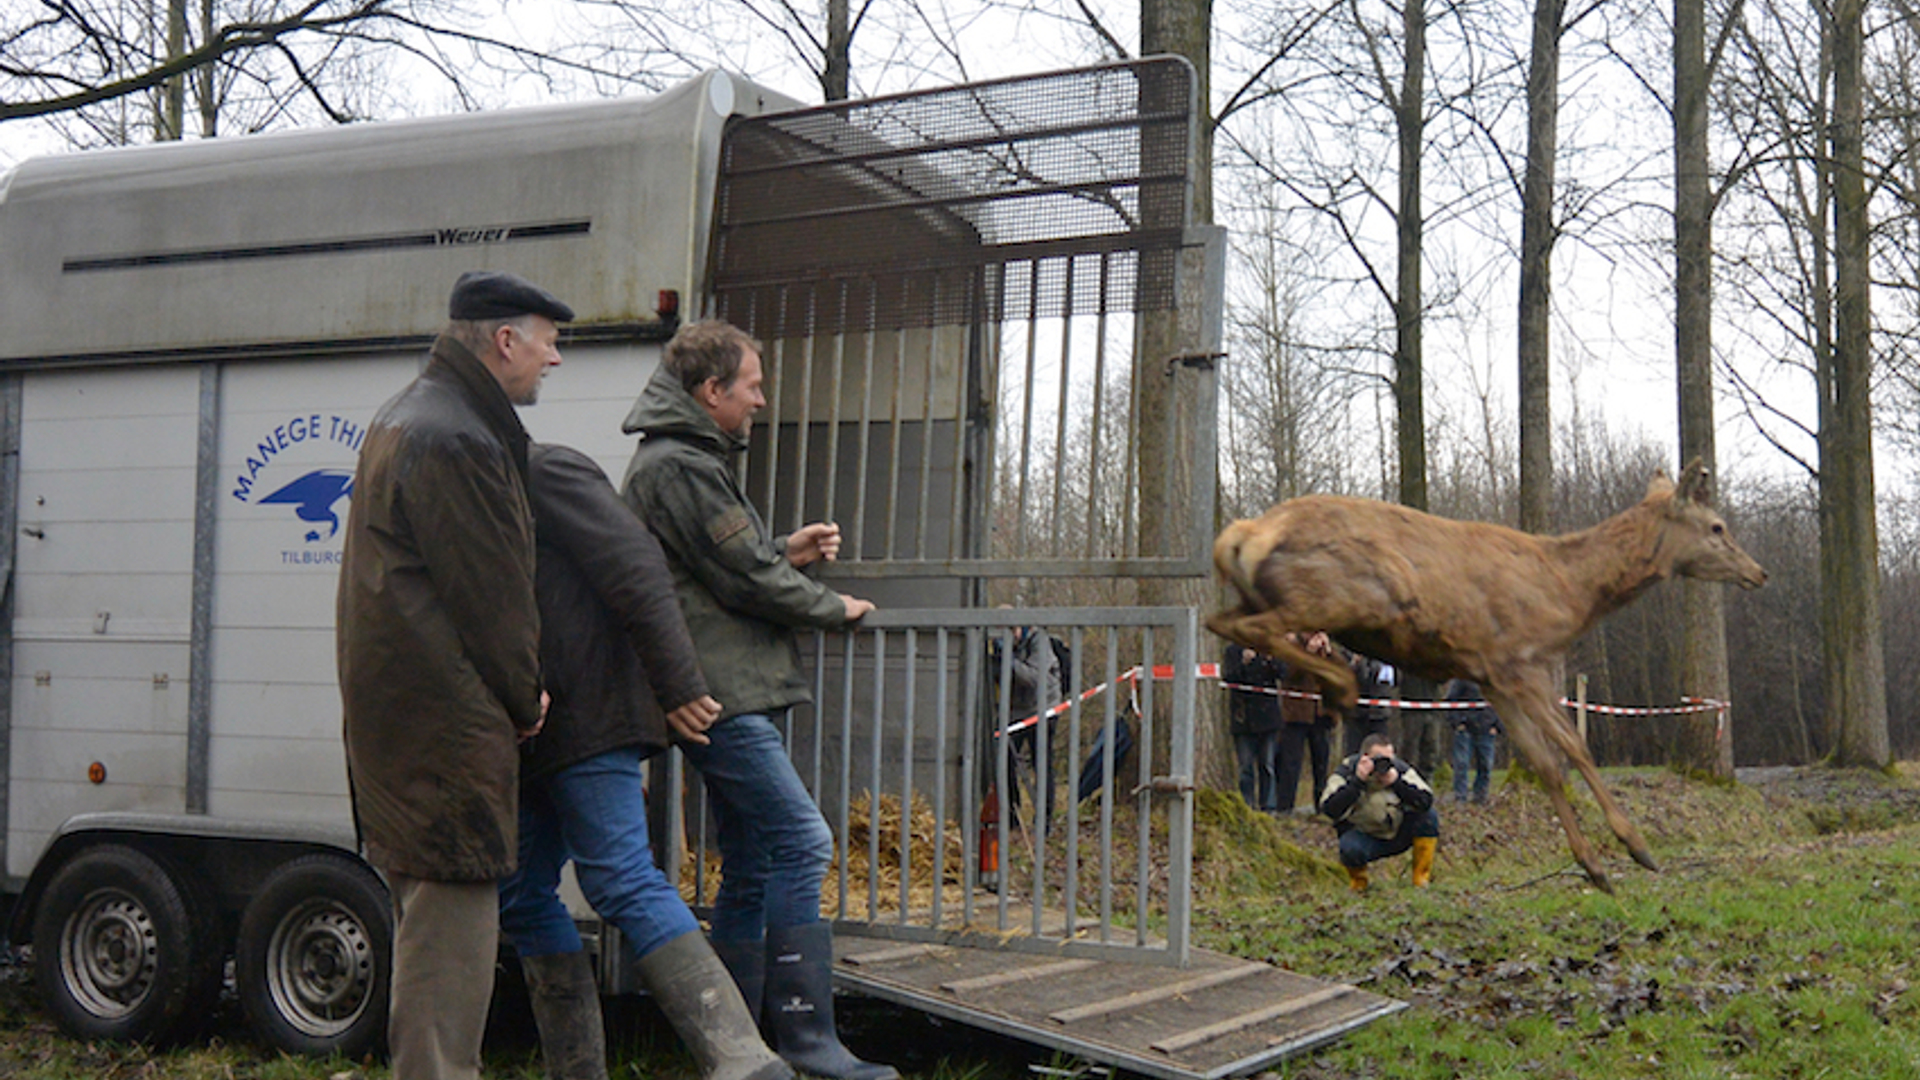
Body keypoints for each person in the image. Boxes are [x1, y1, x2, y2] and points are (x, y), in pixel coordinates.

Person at [621, 319, 897, 1080]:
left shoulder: (685, 460)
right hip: (719, 696)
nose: (761, 401)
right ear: (712, 391)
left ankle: (738, 1051)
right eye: (751, 386)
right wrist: (827, 603)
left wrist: (784, 551)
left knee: (747, 861)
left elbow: (719, 567)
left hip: (725, 685)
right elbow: (739, 580)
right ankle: (808, 1040)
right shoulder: (679, 466)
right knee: (801, 841)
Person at [498, 442, 792, 1080]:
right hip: (528, 731)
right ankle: (575, 1071)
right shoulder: (484, 491)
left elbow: (638, 566)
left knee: (620, 878)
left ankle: (746, 1063)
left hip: (588, 713)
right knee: (520, 893)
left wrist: (678, 683)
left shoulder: (546, 470)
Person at [337, 270, 568, 1080]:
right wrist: (525, 695)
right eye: (549, 340)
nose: (557, 358)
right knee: (446, 992)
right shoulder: (462, 436)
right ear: (505, 342)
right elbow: (497, 601)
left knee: (428, 958)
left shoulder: (407, 416)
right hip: (447, 746)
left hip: (407, 739)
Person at [1318, 733, 1440, 892]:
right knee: (1349, 848)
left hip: (1396, 832)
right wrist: (1357, 782)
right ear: (1365, 757)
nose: (1384, 764)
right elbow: (1329, 809)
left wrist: (1397, 783)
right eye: (1379, 759)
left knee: (1429, 817)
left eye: (1389, 758)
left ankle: (1421, 879)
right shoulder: (1347, 771)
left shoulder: (1399, 769)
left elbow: (1426, 801)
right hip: (1364, 836)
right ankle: (1359, 884)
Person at [990, 620, 1065, 824]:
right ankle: (1011, 815)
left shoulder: (1038, 642)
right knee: (1001, 760)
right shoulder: (995, 646)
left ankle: (1044, 820)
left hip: (1043, 709)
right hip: (1014, 711)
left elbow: (1033, 678)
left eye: (1008, 631)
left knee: (1042, 764)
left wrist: (1009, 659)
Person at [1274, 631, 1335, 815]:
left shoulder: (1325, 649)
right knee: (1291, 763)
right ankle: (1285, 807)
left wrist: (1328, 654)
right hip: (1296, 714)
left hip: (1320, 714)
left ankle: (1321, 806)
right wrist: (1307, 653)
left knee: (1321, 762)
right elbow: (1289, 674)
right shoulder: (1290, 644)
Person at [1223, 644, 1284, 813]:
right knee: (1245, 767)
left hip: (1268, 718)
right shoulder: (1233, 650)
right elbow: (1228, 678)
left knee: (1267, 766)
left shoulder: (1270, 647)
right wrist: (1243, 663)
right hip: (1244, 718)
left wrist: (1269, 660)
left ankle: (1269, 807)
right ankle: (1247, 806)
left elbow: (1282, 673)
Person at [1445, 678, 1503, 804]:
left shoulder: (1493, 677)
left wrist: (1497, 725)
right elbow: (1450, 701)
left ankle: (1481, 796)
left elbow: (1502, 701)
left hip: (1487, 728)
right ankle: (1461, 796)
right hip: (1465, 728)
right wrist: (1457, 723)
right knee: (1461, 764)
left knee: (1486, 765)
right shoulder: (1462, 678)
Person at [1343, 651, 1395, 758]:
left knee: (1382, 754)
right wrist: (1356, 663)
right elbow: (1352, 679)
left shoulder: (1386, 651)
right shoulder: (1348, 651)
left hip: (1380, 713)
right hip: (1356, 713)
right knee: (1354, 755)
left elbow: (1396, 681)